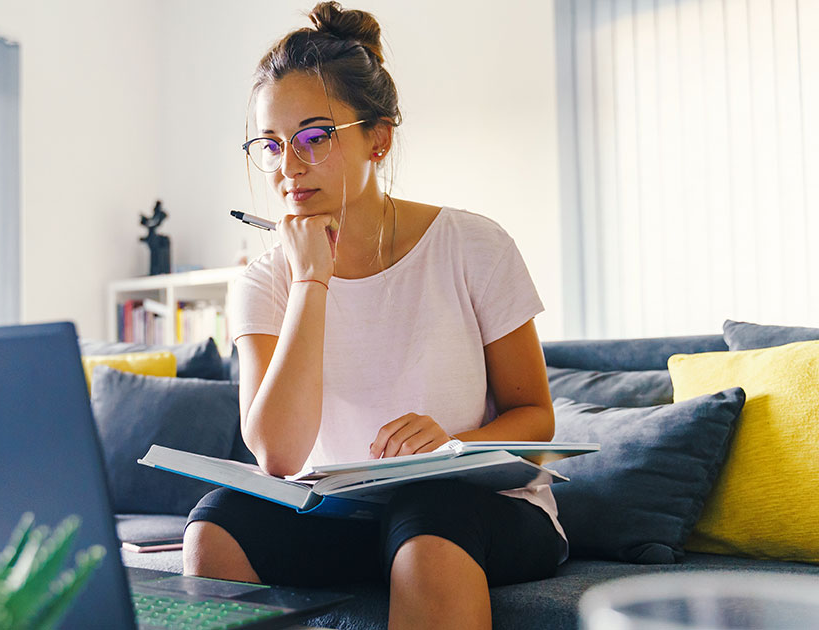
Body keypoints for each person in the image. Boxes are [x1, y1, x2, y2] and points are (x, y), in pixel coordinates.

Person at [183, 3, 566, 628]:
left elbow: (538, 420)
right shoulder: (261, 283)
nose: (288, 166)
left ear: (378, 138)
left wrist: (449, 444)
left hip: (474, 509)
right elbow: (277, 457)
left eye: (314, 137)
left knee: (429, 516)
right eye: (272, 145)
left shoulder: (473, 245)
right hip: (345, 517)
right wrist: (311, 278)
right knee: (216, 524)